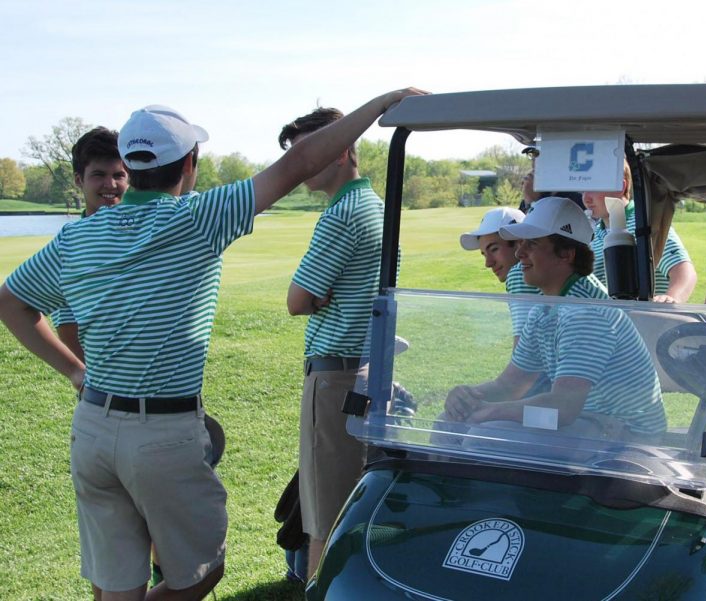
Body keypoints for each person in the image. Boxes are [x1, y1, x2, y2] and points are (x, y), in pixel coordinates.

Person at [0, 88, 425, 601]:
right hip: (163, 433)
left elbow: (11, 302)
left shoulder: (77, 237)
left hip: (91, 429)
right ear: (191, 163)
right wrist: (380, 104)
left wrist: (73, 372)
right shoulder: (199, 218)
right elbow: (302, 161)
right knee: (199, 574)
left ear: (130, 169)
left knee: (116, 586)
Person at [441, 196, 665, 448]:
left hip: (626, 436)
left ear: (566, 253)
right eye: (521, 243)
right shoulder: (546, 309)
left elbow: (562, 408)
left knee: (485, 438)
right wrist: (467, 397)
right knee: (448, 422)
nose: (520, 252)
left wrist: (491, 412)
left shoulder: (586, 312)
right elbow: (511, 384)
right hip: (587, 422)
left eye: (532, 244)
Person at [280, 106, 399, 577]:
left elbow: (297, 299)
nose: (304, 162)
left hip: (335, 375)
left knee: (325, 519)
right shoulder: (375, 205)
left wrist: (314, 297)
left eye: (313, 149)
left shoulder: (342, 214)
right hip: (369, 368)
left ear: (344, 150)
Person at [52, 127, 128, 358]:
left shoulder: (145, 230)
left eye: (118, 175)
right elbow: (66, 323)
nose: (110, 184)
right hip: (102, 382)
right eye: (98, 175)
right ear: (79, 179)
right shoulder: (70, 243)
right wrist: (92, 373)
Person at [583, 162, 697, 303]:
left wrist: (671, 299)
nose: (586, 198)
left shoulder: (643, 224)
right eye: (582, 189)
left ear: (620, 187)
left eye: (594, 188)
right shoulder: (596, 232)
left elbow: (684, 272)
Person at [459, 206, 526, 284]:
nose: (488, 263)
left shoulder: (519, 279)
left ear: (520, 243)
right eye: (484, 255)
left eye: (494, 249)